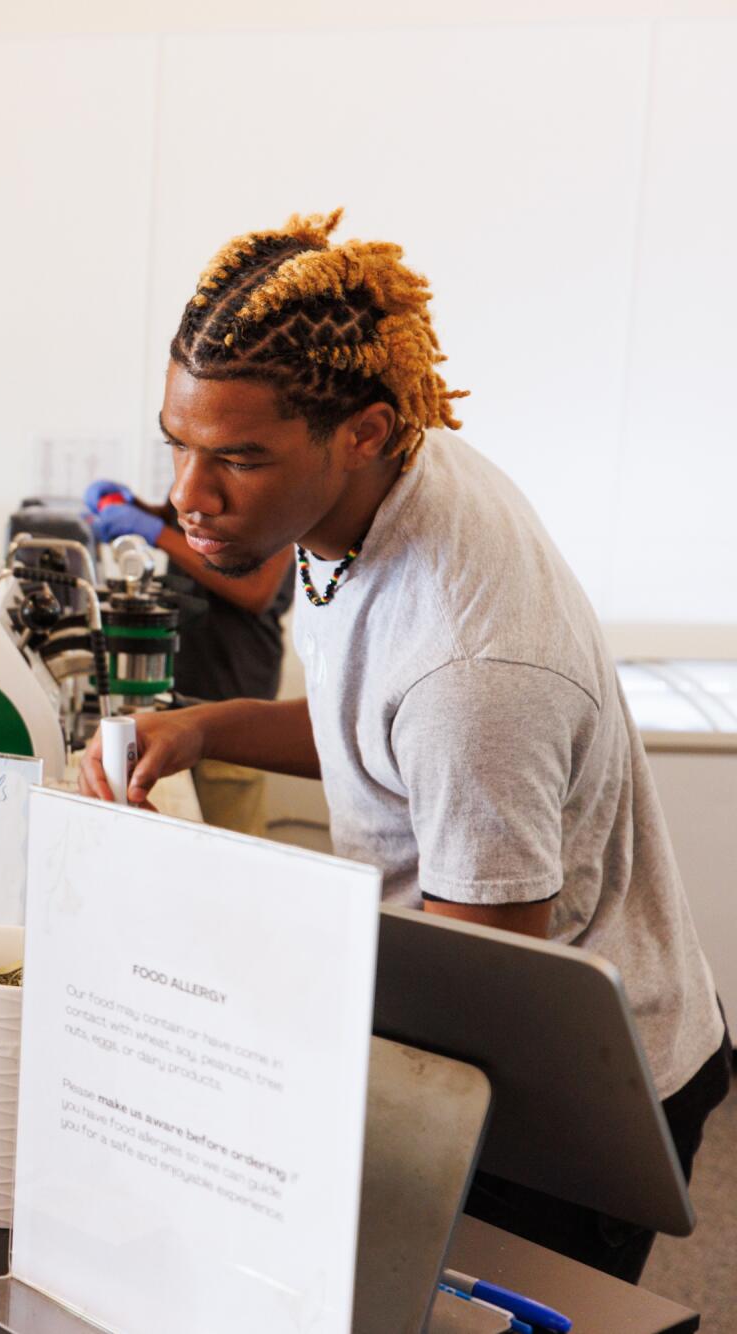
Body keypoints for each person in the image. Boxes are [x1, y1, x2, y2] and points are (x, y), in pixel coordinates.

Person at [79, 209, 729, 1281]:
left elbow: (484, 987)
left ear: (363, 431)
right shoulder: (373, 493)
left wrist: (221, 966)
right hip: (504, 1015)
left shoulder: (476, 667)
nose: (188, 496)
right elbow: (378, 731)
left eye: (237, 458)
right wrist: (205, 726)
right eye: (177, 443)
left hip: (572, 1097)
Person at [77, 477, 296, 834]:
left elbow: (256, 591)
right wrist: (142, 511)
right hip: (184, 691)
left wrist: (155, 533)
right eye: (176, 445)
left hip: (232, 689)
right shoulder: (200, 464)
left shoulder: (279, 488)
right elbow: (195, 527)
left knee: (229, 853)